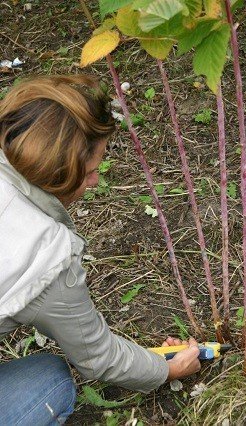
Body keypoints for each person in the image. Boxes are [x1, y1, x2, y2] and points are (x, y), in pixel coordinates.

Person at [0, 75, 201, 425]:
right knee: (50, 381)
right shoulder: (46, 257)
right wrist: (165, 370)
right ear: (59, 174)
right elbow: (98, 356)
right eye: (91, 171)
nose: (96, 181)